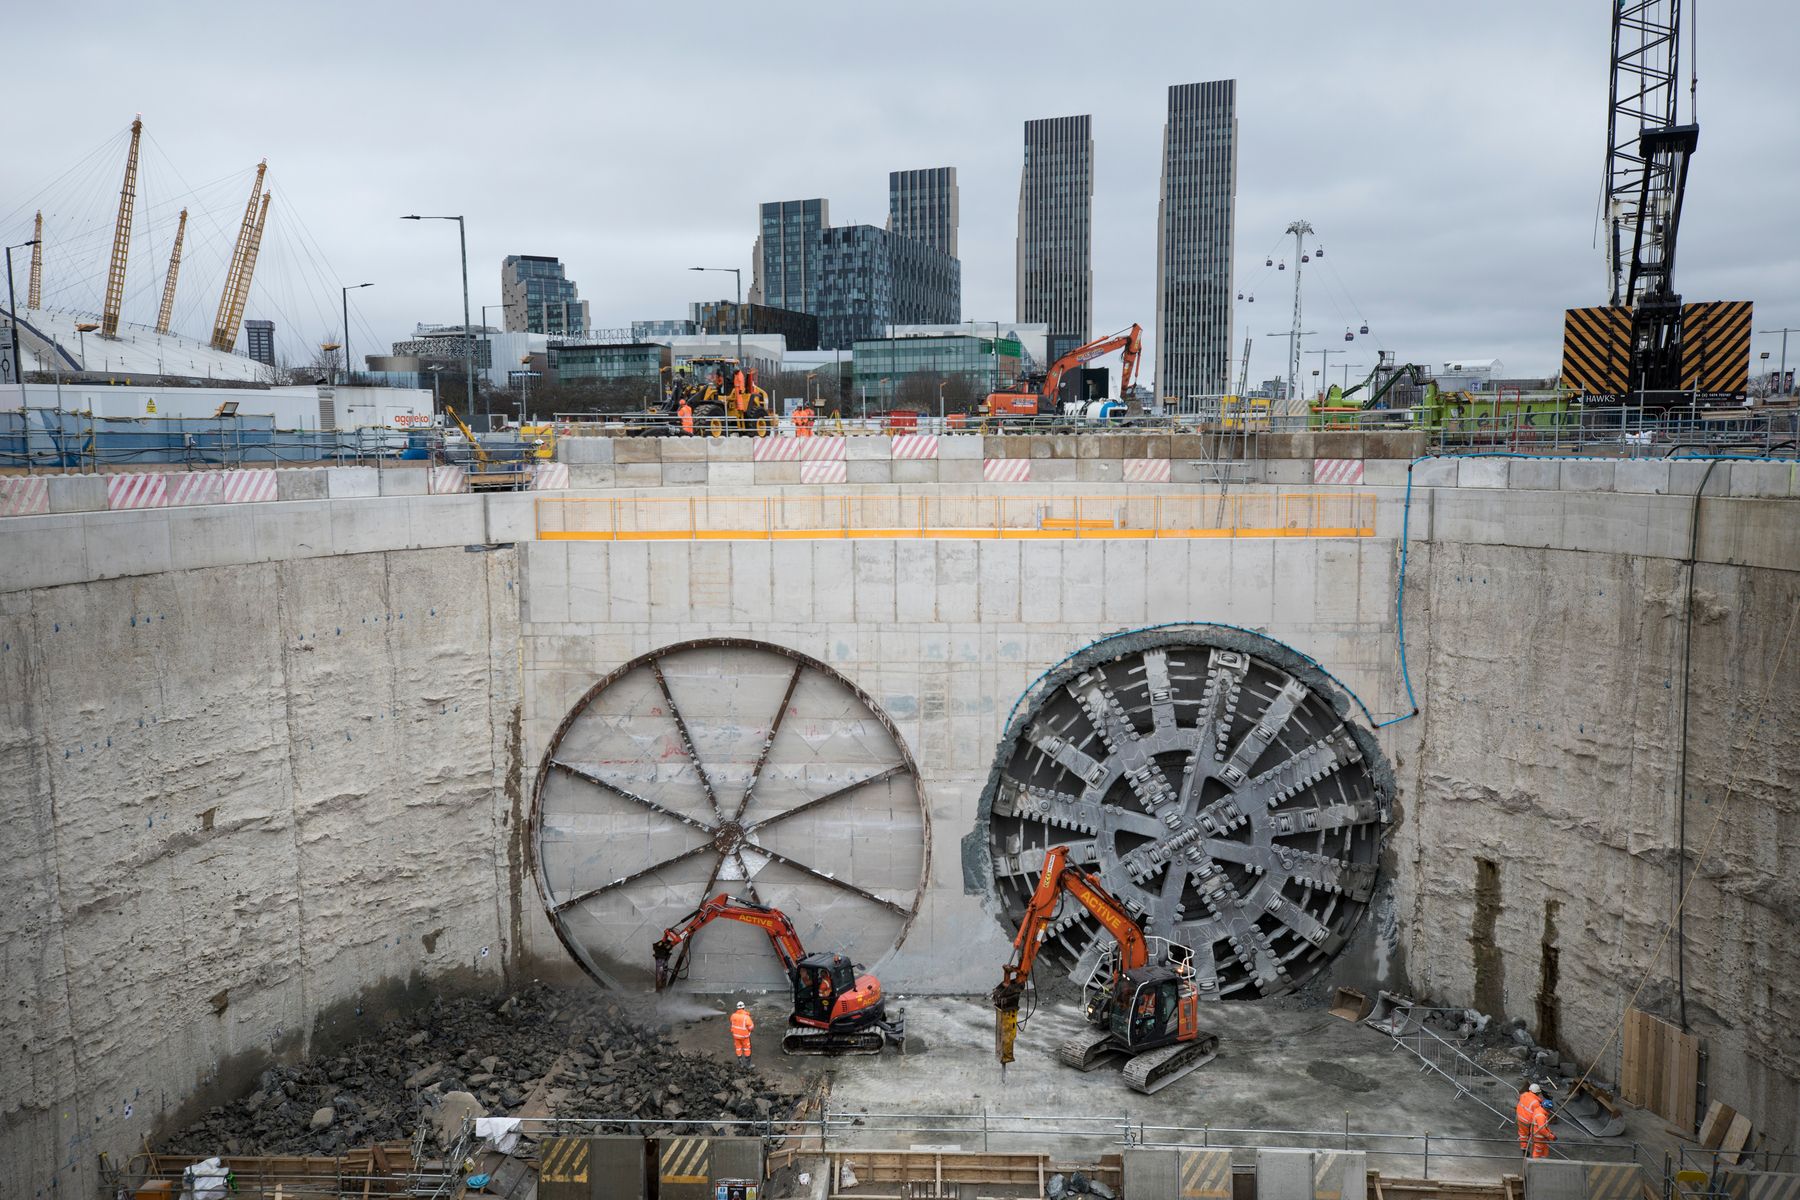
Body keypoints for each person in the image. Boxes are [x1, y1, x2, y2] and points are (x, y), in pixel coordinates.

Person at [1516, 1083, 1554, 1158]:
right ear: (1538, 1093)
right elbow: (1539, 1113)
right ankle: (1534, 1154)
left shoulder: (1524, 1094)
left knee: (1523, 1135)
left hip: (1520, 1118)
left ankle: (1524, 1150)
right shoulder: (1535, 1103)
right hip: (1527, 1122)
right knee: (1532, 1137)